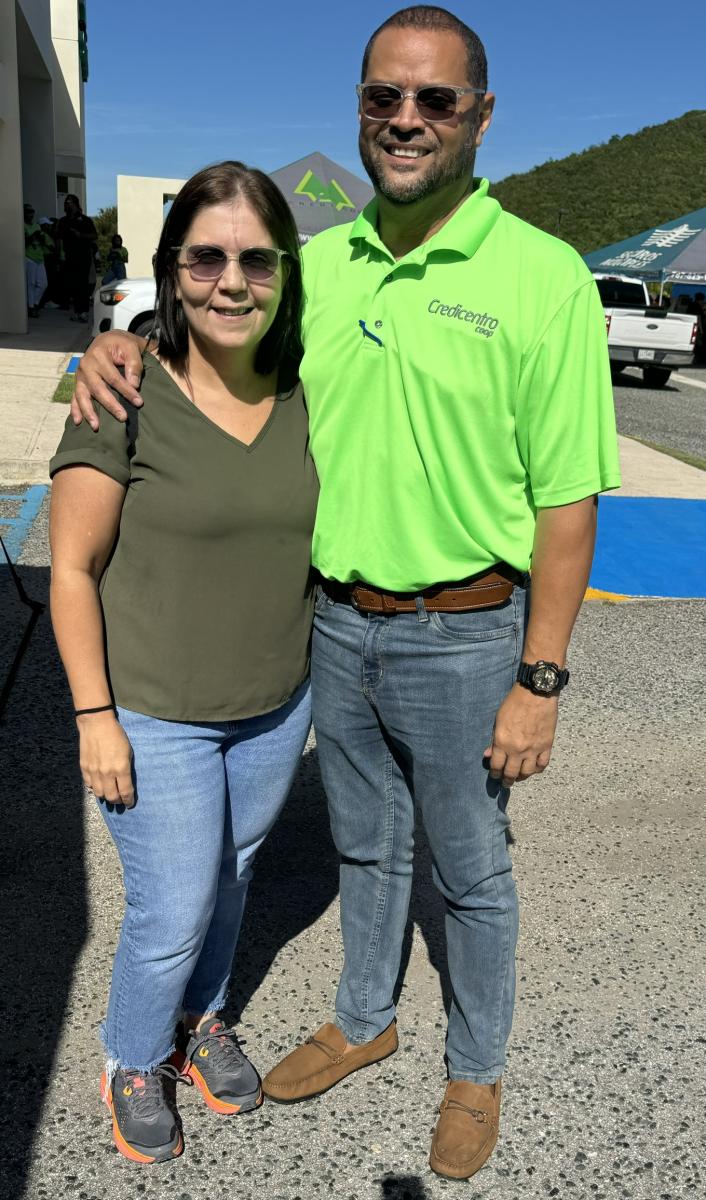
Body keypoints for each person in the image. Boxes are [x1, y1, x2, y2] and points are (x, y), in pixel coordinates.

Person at [70, 4, 621, 1182]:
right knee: (365, 851)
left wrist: (542, 673)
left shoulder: (543, 279)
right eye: (384, 97)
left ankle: (474, 1069)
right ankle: (365, 1023)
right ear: (359, 111)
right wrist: (111, 343)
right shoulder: (318, 267)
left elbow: (570, 501)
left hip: (469, 633)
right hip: (331, 626)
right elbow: (209, 337)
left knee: (468, 871)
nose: (406, 119)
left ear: (479, 115)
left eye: (434, 99)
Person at [50, 160, 318, 1165]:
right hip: (153, 709)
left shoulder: (305, 392)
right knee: (172, 906)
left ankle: (201, 1018)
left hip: (273, 706)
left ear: (285, 273)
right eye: (205, 257)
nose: (231, 280)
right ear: (170, 270)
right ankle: (131, 1054)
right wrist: (93, 718)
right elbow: (70, 570)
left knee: (234, 878)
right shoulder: (123, 390)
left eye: (256, 258)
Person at [56, 193, 97, 322]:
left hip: (84, 257)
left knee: (83, 285)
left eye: (70, 202)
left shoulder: (85, 220)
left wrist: (80, 235)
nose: (67, 205)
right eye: (66, 203)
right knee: (72, 285)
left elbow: (94, 235)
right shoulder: (63, 221)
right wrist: (59, 254)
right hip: (69, 258)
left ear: (76, 204)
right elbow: (58, 238)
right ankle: (76, 311)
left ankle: (83, 312)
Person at [23, 203, 48, 318]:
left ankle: (35, 303)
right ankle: (31, 307)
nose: (31, 214)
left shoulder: (37, 226)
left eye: (32, 211)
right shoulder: (23, 226)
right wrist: (33, 236)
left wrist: (41, 237)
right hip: (29, 257)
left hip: (39, 257)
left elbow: (43, 243)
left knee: (43, 284)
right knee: (31, 284)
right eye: (28, 211)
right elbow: (24, 243)